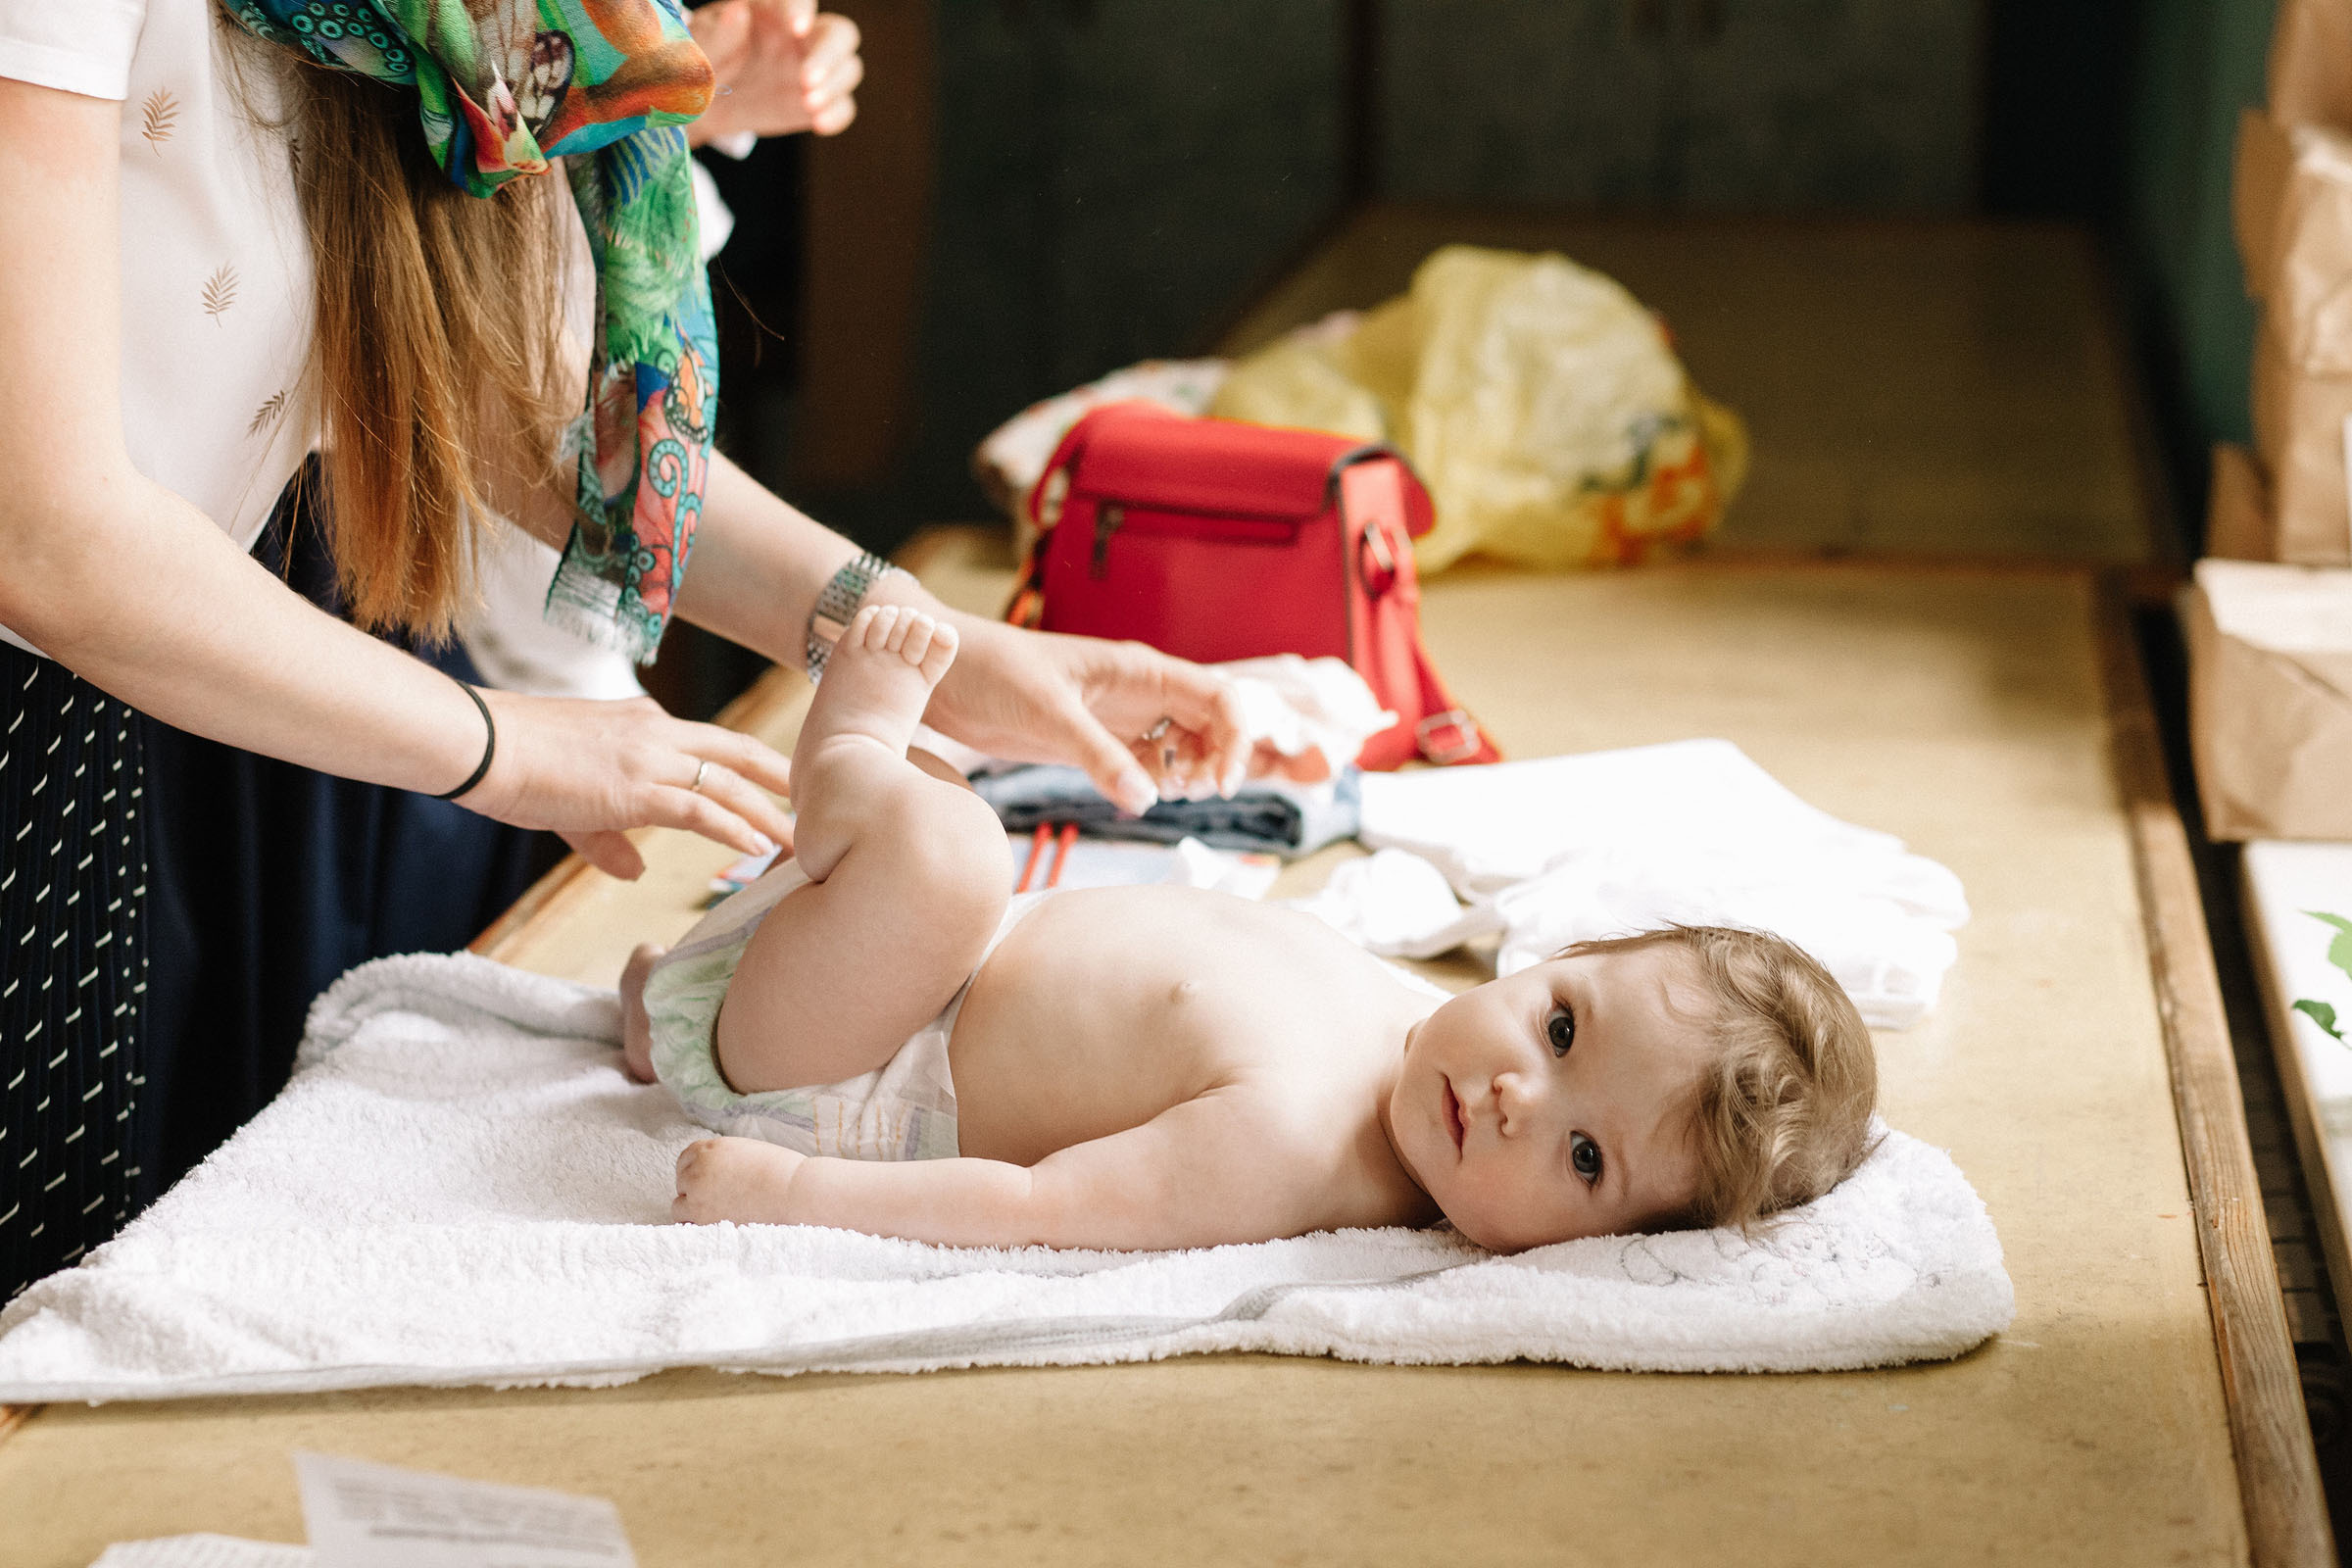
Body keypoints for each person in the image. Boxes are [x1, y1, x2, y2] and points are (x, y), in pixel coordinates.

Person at [0, 1, 1248, 1303]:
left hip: (84, 723)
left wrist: (923, 640)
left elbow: (516, 413)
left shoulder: (430, 22)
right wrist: (500, 746)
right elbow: (45, 533)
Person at [643, 607, 1881, 1250]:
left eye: (1585, 1160)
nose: (1516, 1095)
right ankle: (654, 1008)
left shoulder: (1295, 1150)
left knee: (950, 846)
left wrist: (795, 1190)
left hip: (841, 1070)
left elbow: (1040, 1207)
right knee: (960, 824)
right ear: (1553, 963)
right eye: (1562, 1030)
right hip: (844, 965)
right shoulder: (1407, 1017)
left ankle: (845, 748)